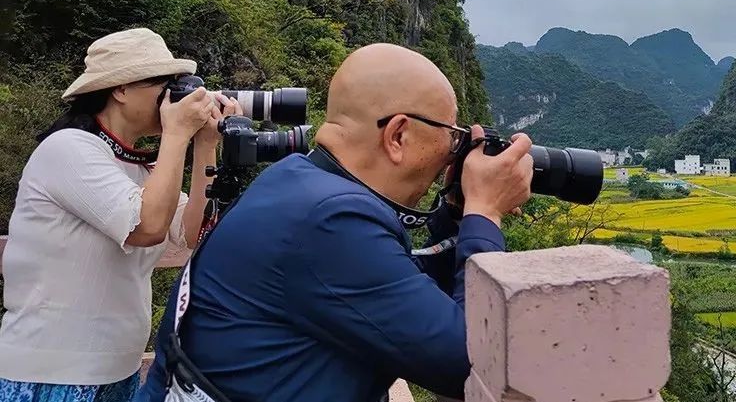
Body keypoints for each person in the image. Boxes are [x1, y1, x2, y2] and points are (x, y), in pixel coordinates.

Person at [139, 43, 534, 402]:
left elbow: (400, 291)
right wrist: (485, 212)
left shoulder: (299, 180)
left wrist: (454, 214)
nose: (454, 152)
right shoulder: (330, 221)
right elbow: (476, 362)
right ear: (397, 135)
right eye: (452, 135)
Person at [0, 27, 240, 402]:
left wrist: (205, 145)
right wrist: (176, 135)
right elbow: (146, 227)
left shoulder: (137, 166)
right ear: (120, 89)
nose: (173, 97)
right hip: (51, 374)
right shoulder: (67, 150)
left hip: (119, 370)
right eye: (165, 85)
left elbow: (195, 232)